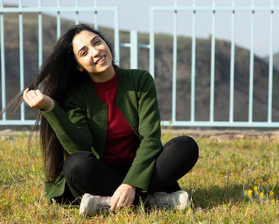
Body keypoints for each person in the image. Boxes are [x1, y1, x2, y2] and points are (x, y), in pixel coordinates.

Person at [19, 24, 198, 216]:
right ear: (79, 65)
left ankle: (108, 202)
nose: (95, 52)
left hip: (141, 167)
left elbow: (150, 140)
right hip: (102, 174)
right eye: (84, 52)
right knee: (75, 163)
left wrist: (131, 183)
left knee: (186, 146)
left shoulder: (140, 80)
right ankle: (153, 200)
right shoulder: (76, 95)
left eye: (97, 42)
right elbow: (80, 146)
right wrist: (50, 108)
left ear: (107, 44)